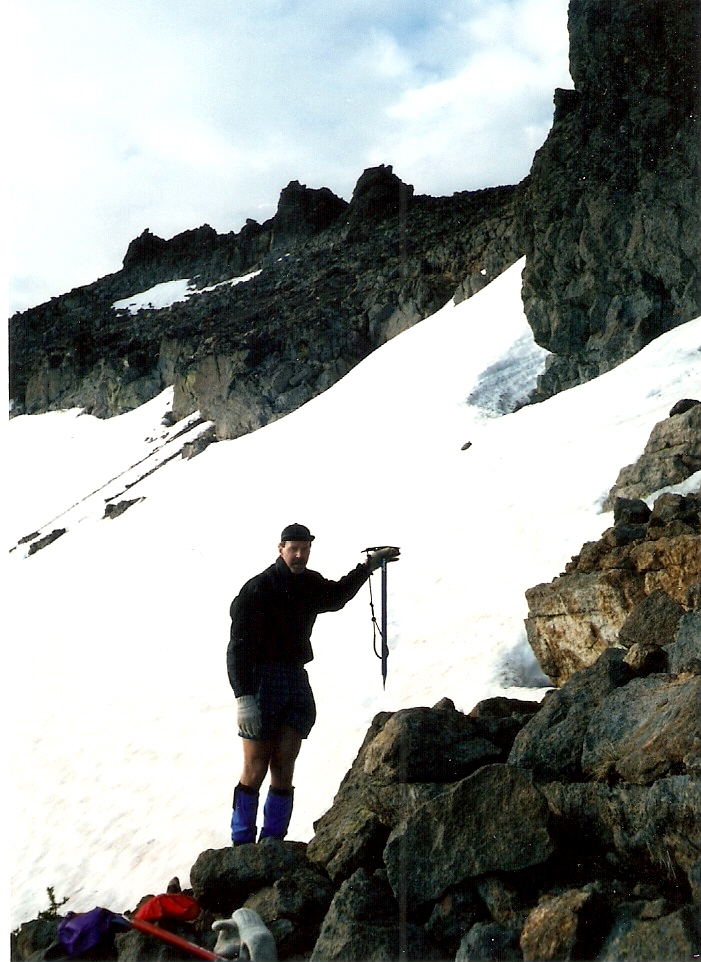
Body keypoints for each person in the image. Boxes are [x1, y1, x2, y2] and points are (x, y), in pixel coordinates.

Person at [226, 522, 399, 845]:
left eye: (305, 549)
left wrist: (367, 567)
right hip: (261, 679)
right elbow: (236, 647)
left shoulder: (309, 584)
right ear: (280, 549)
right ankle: (241, 842)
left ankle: (273, 839)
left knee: (285, 761)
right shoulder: (258, 589)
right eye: (294, 548)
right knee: (256, 764)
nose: (300, 554)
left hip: (294, 676)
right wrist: (243, 696)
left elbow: (336, 597)